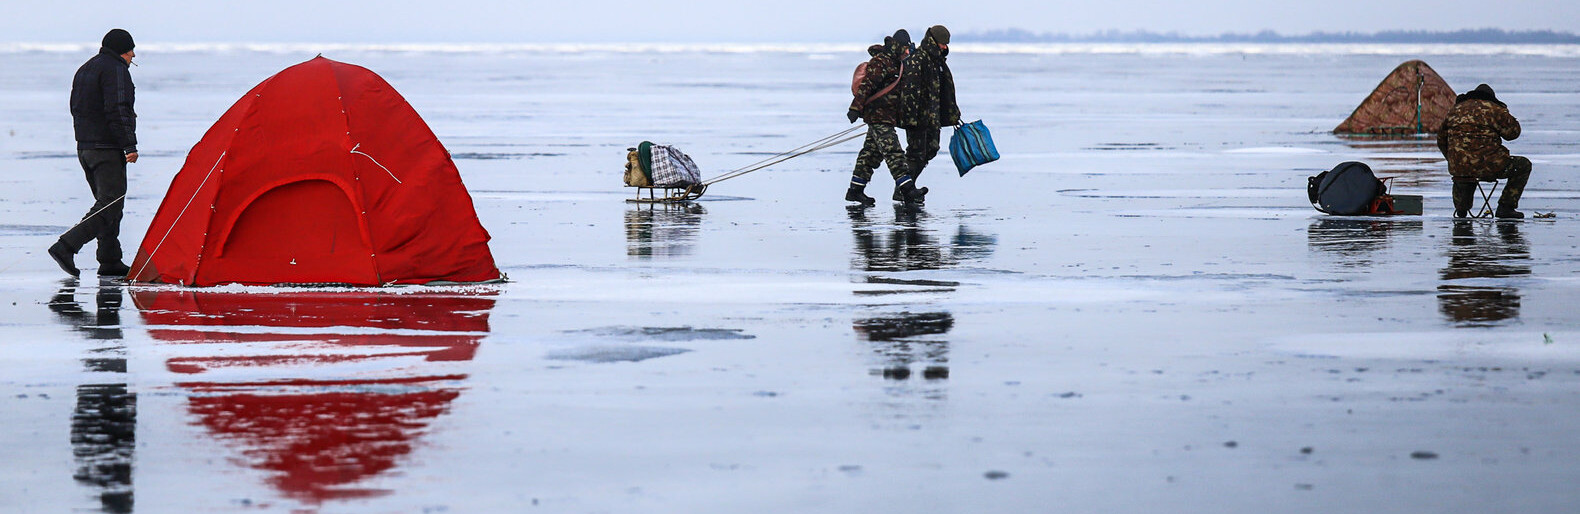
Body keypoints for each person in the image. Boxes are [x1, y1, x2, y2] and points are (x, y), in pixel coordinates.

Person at [50, 29, 139, 278]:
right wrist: (129, 145)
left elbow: (75, 108)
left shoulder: (86, 68)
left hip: (86, 147)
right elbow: (118, 108)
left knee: (109, 205)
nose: (133, 55)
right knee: (110, 203)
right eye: (131, 50)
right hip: (106, 148)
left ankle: (110, 259)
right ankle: (66, 246)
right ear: (123, 49)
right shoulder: (116, 69)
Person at [846, 30, 923, 205]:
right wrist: (855, 108)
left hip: (887, 116)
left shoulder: (897, 63)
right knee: (893, 151)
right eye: (905, 48)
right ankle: (908, 190)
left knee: (870, 155)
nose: (906, 52)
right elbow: (867, 86)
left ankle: (855, 191)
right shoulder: (881, 62)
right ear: (898, 46)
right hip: (878, 116)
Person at [1438, 83, 1530, 219]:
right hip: (1490, 165)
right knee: (1523, 165)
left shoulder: (1455, 110)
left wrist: (1453, 159)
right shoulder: (1494, 110)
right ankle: (1506, 207)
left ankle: (1461, 208)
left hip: (1460, 167)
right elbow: (1513, 133)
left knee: (1464, 168)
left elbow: (1441, 140)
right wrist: (1504, 112)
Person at [897, 25, 960, 201]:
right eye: (942, 43)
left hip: (933, 117)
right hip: (918, 117)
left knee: (931, 149)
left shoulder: (937, 62)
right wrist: (910, 118)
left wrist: (951, 113)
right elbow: (910, 90)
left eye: (946, 44)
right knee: (916, 152)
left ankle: (907, 186)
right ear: (934, 41)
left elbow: (944, 91)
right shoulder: (919, 59)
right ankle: (904, 190)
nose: (944, 47)